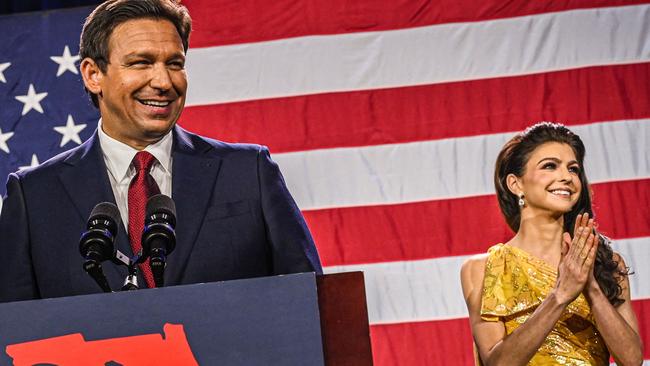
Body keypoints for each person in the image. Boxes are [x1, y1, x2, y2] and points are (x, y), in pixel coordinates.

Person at [0, 0, 321, 302]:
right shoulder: (34, 196)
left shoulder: (249, 171)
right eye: (141, 63)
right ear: (93, 74)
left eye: (175, 63)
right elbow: (13, 335)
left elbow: (310, 301)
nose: (164, 81)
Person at [460, 122, 643, 365]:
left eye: (573, 169)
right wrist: (560, 296)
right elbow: (497, 362)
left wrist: (590, 288)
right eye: (550, 166)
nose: (566, 177)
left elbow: (632, 360)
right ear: (516, 185)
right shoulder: (484, 269)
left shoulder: (604, 263)